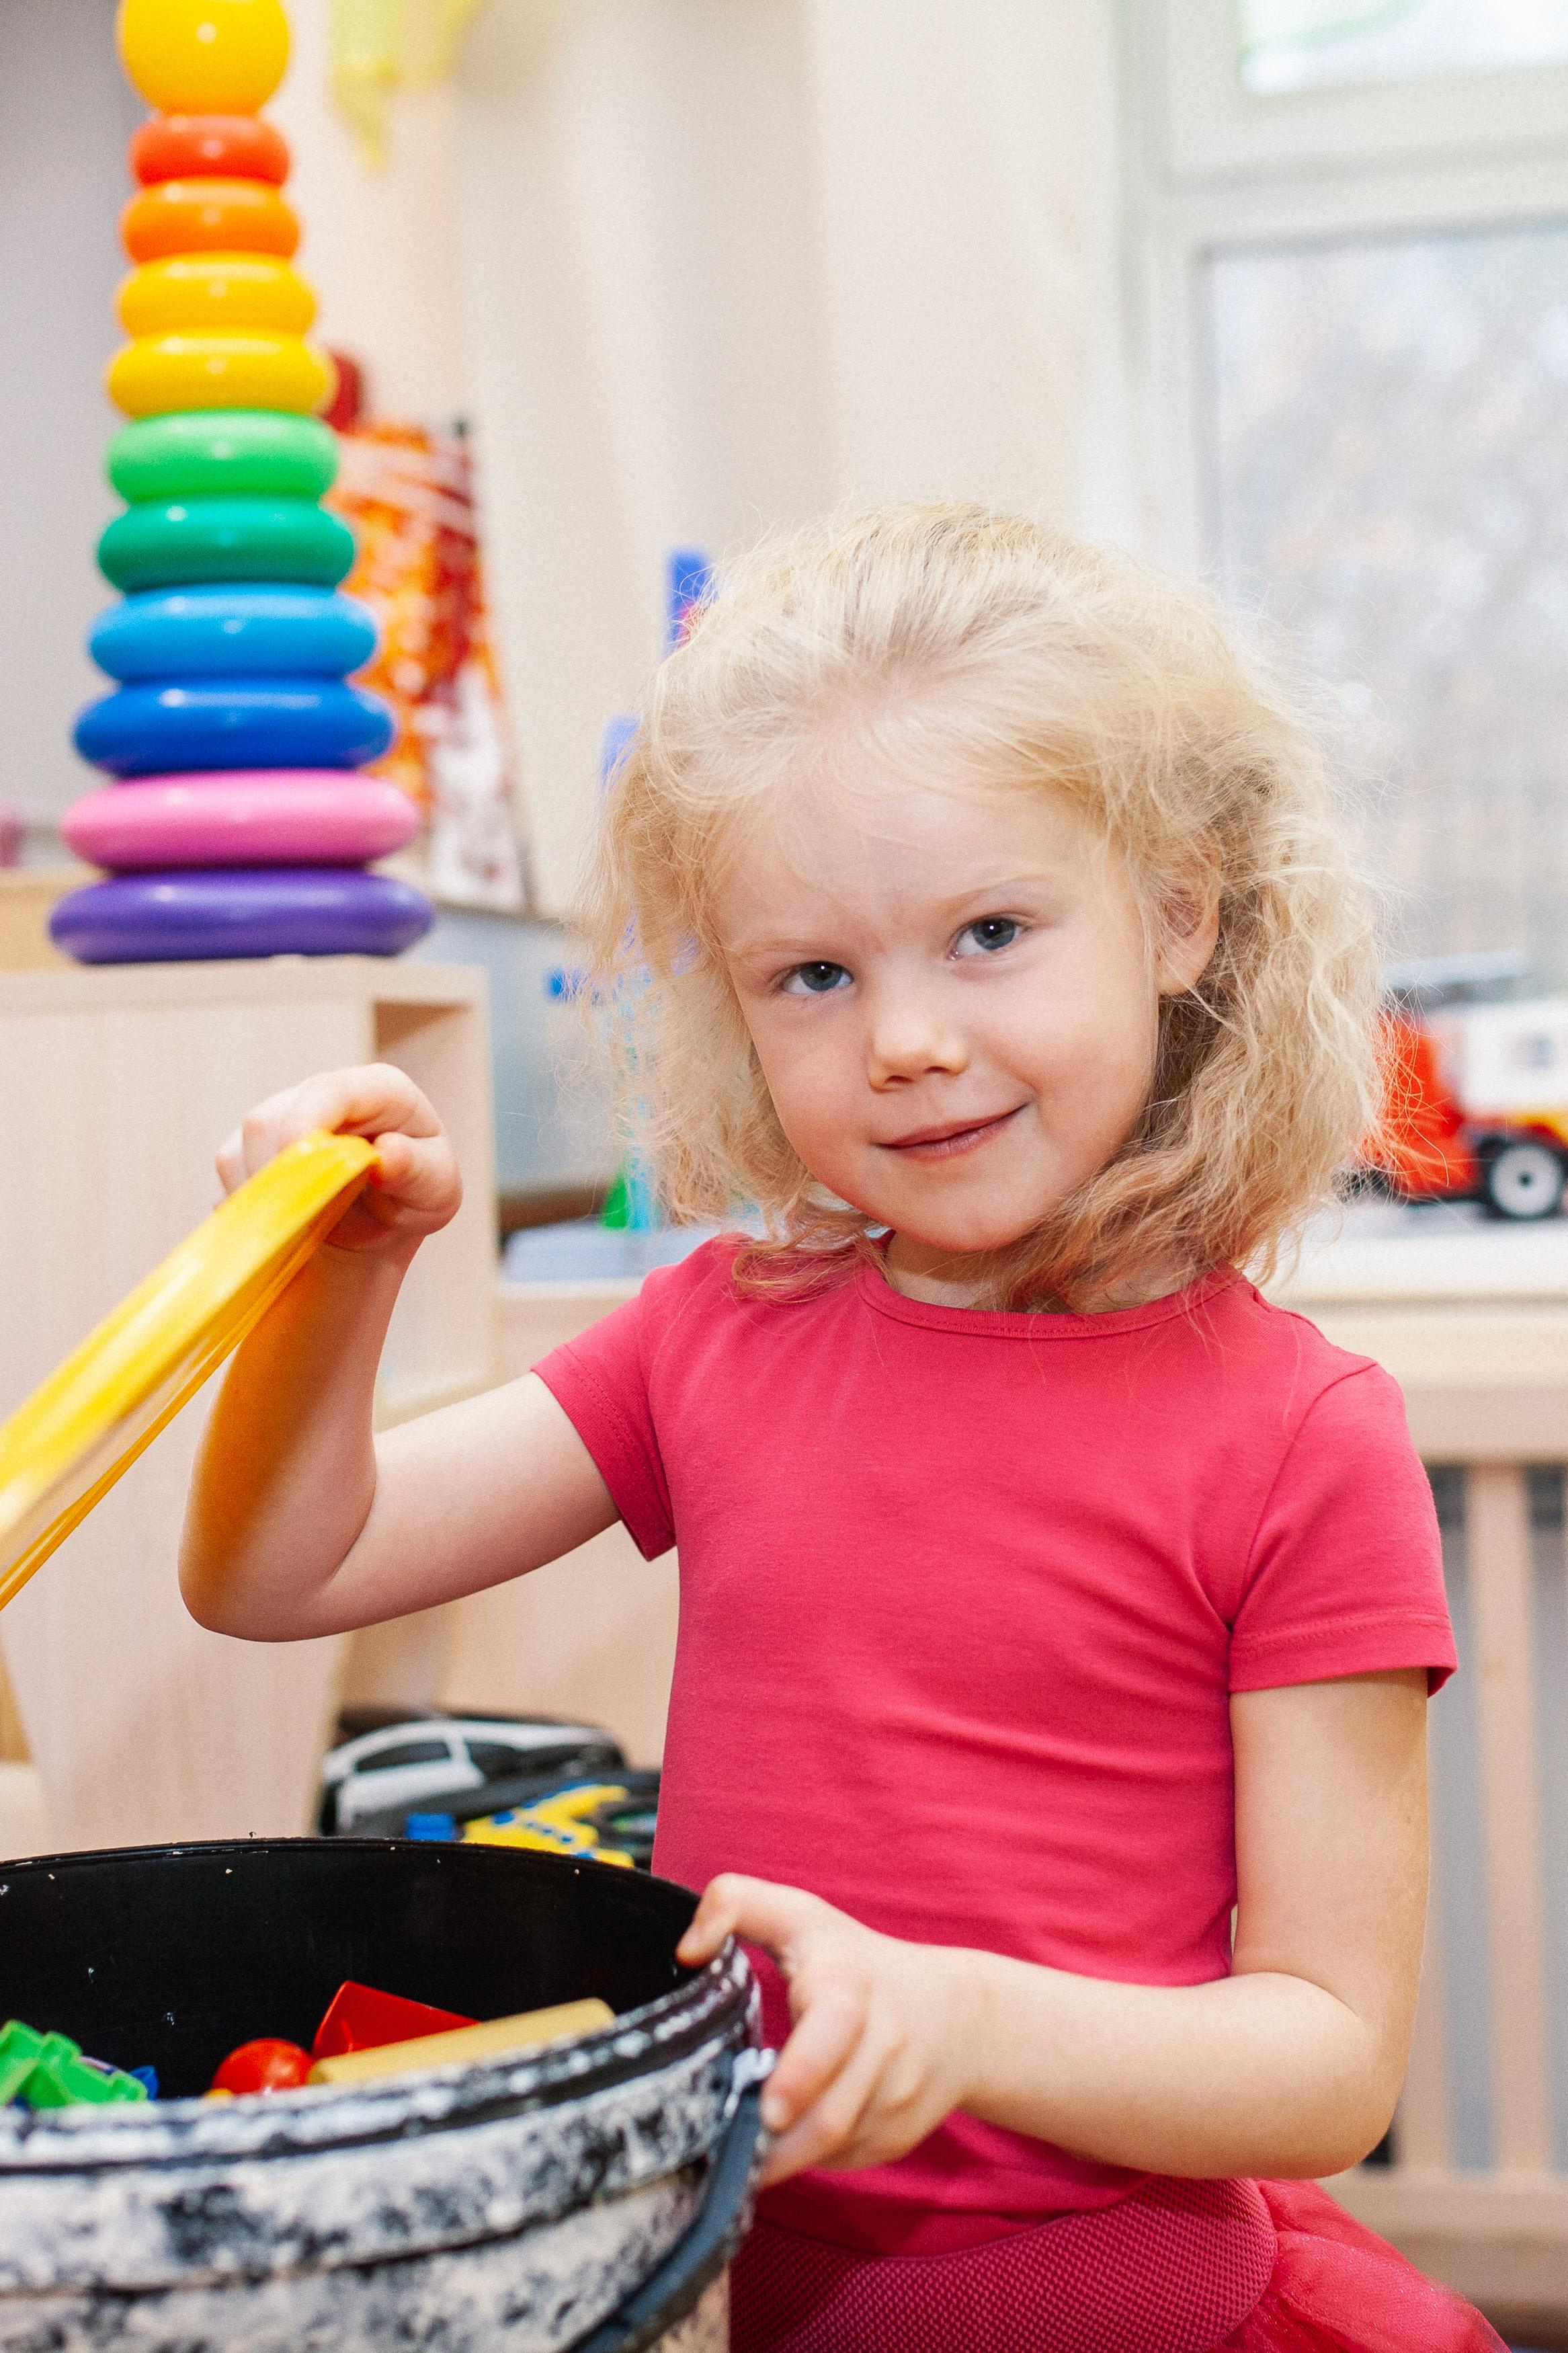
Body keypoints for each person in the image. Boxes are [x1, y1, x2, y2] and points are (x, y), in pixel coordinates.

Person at [183, 508, 1501, 2353]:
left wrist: (964, 2018)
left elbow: (1325, 2066)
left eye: (989, 932)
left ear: (1179, 913)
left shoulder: (1301, 1437)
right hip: (770, 2295)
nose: (905, 1037)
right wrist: (339, 1278)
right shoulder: (715, 1338)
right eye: (812, 972)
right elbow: (272, 1570)